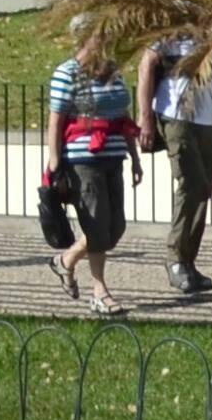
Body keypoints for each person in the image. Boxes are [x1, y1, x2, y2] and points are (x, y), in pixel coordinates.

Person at [44, 20, 141, 316]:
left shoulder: (113, 71)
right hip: (83, 159)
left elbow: (123, 114)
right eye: (101, 36)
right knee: (97, 224)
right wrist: (55, 162)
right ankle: (99, 292)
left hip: (113, 155)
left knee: (115, 227)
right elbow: (56, 120)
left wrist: (134, 156)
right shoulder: (67, 73)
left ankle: (66, 261)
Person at [147, 25, 212, 297]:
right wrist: (144, 117)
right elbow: (146, 65)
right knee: (191, 183)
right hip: (176, 114)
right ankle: (175, 258)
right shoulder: (173, 27)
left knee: (204, 187)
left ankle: (187, 261)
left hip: (211, 115)